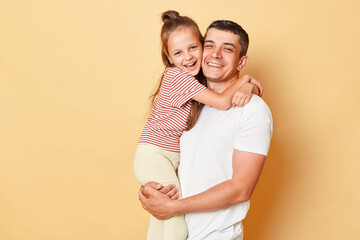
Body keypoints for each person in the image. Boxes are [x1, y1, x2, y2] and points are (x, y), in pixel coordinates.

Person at [139, 20, 273, 240]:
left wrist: (174, 207)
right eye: (209, 45)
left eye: (227, 49)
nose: (216, 54)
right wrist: (152, 191)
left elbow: (241, 189)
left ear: (242, 61)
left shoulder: (253, 111)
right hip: (179, 233)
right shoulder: (192, 105)